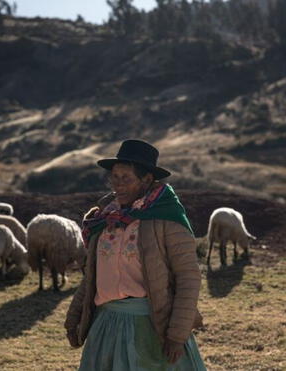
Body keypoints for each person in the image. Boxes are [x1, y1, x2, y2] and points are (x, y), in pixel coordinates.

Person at [64, 139, 206, 370]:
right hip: (107, 327)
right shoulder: (106, 220)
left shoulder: (167, 219)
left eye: (126, 178)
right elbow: (93, 276)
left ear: (146, 180)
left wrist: (177, 335)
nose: (117, 184)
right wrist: (74, 319)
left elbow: (188, 277)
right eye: (114, 177)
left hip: (152, 327)